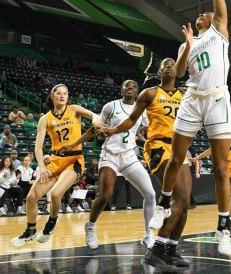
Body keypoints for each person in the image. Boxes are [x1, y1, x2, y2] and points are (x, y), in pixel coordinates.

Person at [156, 0, 231, 257]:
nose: (206, 11)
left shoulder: (220, 29)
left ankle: (224, 227)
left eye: (209, 11)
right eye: (203, 12)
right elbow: (182, 71)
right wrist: (186, 46)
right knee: (176, 158)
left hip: (217, 98)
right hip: (191, 99)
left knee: (220, 168)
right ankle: (163, 200)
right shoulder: (188, 41)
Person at [100, 58, 191, 270]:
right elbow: (132, 120)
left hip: (180, 148)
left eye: (172, 64)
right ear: (158, 72)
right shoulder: (149, 93)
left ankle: (171, 249)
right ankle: (156, 250)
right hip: (159, 146)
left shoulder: (185, 94)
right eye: (164, 64)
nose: (168, 65)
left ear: (178, 71)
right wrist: (112, 130)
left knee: (185, 203)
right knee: (177, 199)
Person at [60, 79, 158, 250]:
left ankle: (149, 234)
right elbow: (94, 129)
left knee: (150, 194)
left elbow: (146, 131)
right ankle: (90, 227)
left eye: (134, 86)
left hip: (129, 156)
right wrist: (74, 144)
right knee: (105, 195)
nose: (130, 87)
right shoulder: (110, 107)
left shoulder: (142, 112)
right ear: (121, 89)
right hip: (110, 155)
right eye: (126, 85)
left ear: (138, 93)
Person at [10, 84, 99, 247]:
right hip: (55, 161)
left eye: (65, 93)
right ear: (52, 96)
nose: (62, 95)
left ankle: (51, 223)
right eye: (58, 93)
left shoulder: (74, 109)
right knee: (31, 197)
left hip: (74, 160)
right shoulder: (46, 119)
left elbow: (95, 116)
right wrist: (42, 168)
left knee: (57, 194)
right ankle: (30, 231)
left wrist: (94, 119)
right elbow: (38, 146)